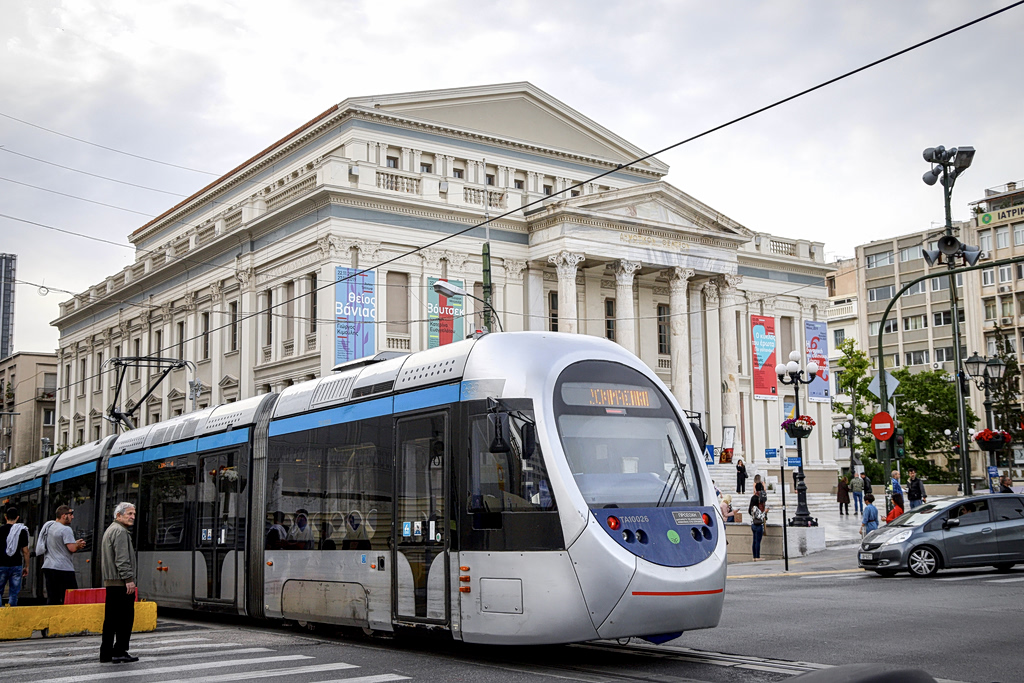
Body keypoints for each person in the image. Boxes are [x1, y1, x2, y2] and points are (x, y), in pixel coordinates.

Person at [100, 502, 138, 664]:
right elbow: (122, 559)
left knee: (110, 620)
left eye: (133, 514)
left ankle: (106, 653)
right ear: (118, 515)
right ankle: (120, 650)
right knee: (125, 619)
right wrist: (128, 580)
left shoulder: (111, 530)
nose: (132, 517)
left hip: (112, 582)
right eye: (129, 514)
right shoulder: (120, 532)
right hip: (120, 583)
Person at [42, 505, 85, 605]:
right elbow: (72, 548)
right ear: (63, 516)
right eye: (70, 514)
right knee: (71, 597)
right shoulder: (66, 529)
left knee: (53, 598)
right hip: (63, 568)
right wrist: (78, 545)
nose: (72, 517)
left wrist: (74, 543)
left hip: (48, 566)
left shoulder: (49, 527)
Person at [0, 507, 29, 607]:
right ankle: (12, 615)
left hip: (1, 565)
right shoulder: (21, 531)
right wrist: (27, 566)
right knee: (14, 593)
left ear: (5, 517)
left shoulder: (0, 530)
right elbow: (25, 551)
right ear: (17, 518)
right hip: (16, 565)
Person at [748, 492, 769, 561]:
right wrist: (765, 512)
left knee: (754, 541)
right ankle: (757, 556)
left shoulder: (751, 508)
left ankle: (754, 556)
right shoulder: (755, 508)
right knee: (757, 542)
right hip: (758, 525)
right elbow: (760, 516)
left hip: (753, 525)